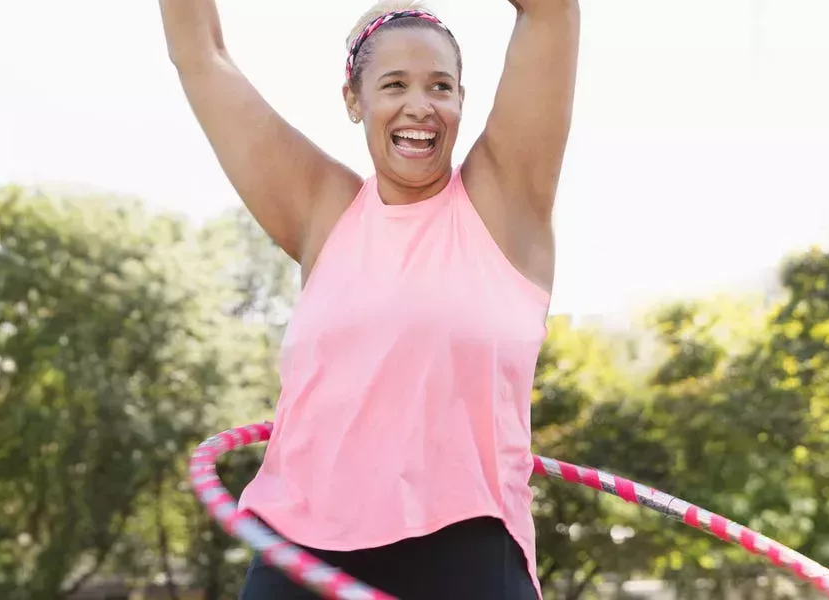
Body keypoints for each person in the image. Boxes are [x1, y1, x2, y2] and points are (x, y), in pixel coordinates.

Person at [159, 0, 579, 597]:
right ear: (355, 101)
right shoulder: (322, 211)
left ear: (462, 99)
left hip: (468, 544)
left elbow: (551, 12)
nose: (420, 106)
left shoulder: (505, 205)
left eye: (441, 86)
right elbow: (201, 55)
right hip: (301, 547)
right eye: (394, 84)